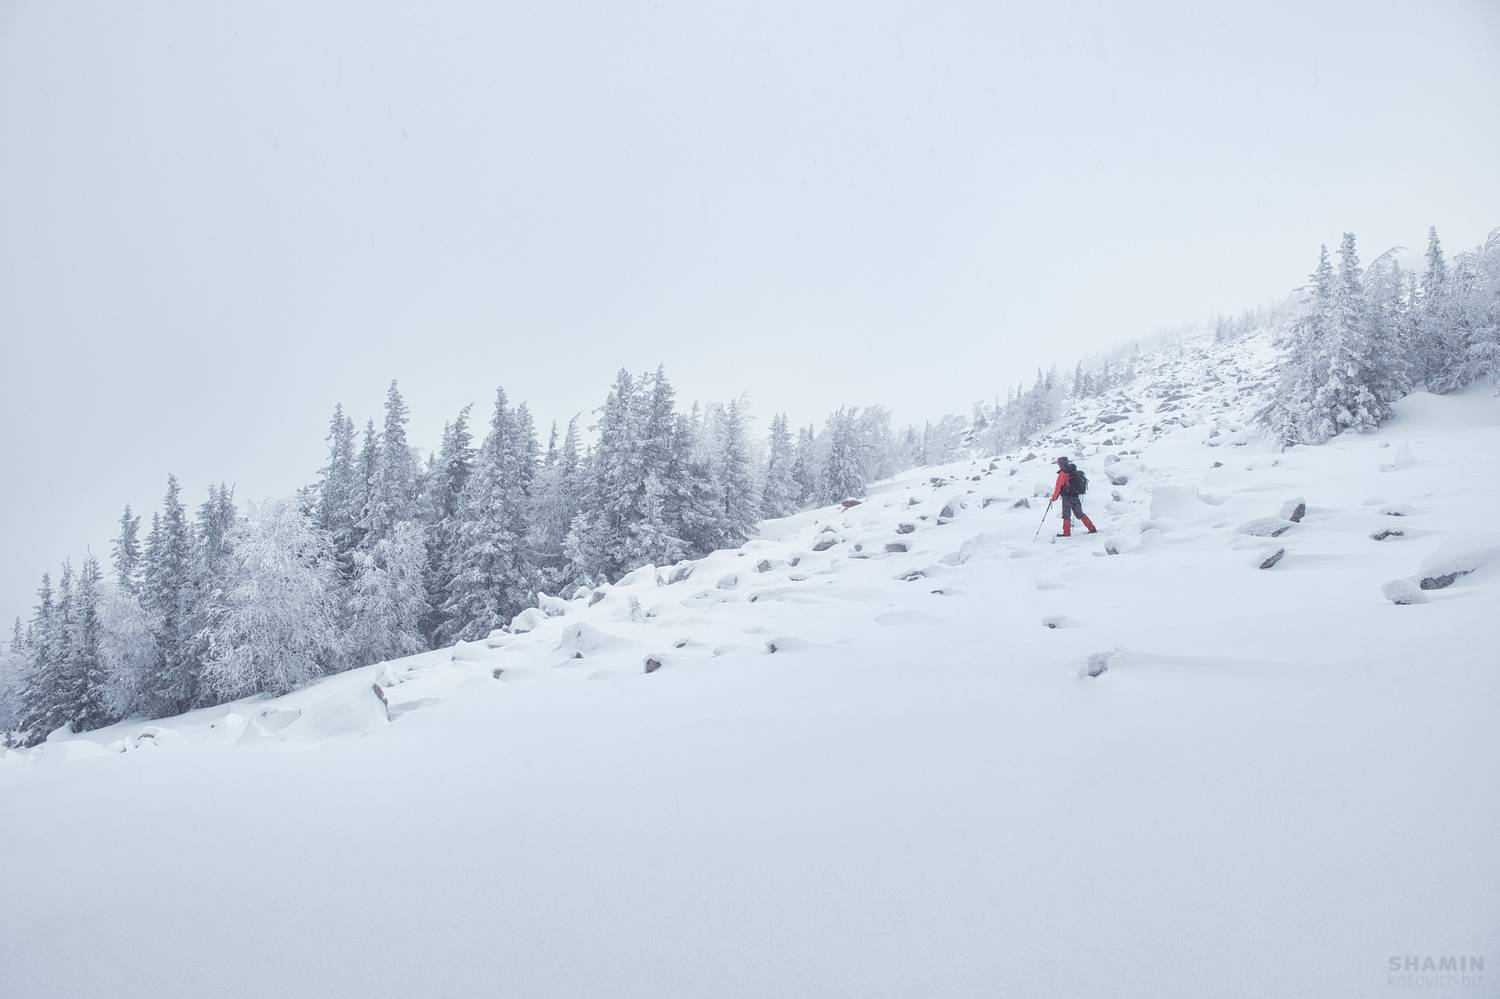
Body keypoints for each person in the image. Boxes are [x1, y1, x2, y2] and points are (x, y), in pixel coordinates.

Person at [1050, 457, 1097, 537]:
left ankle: (1066, 533)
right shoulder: (1073, 470)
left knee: (1066, 515)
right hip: (1075, 496)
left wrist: (1053, 498)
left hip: (1067, 498)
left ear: (1061, 464)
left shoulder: (1063, 473)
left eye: (1058, 463)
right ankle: (1091, 528)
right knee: (1080, 513)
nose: (1058, 464)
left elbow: (1058, 487)